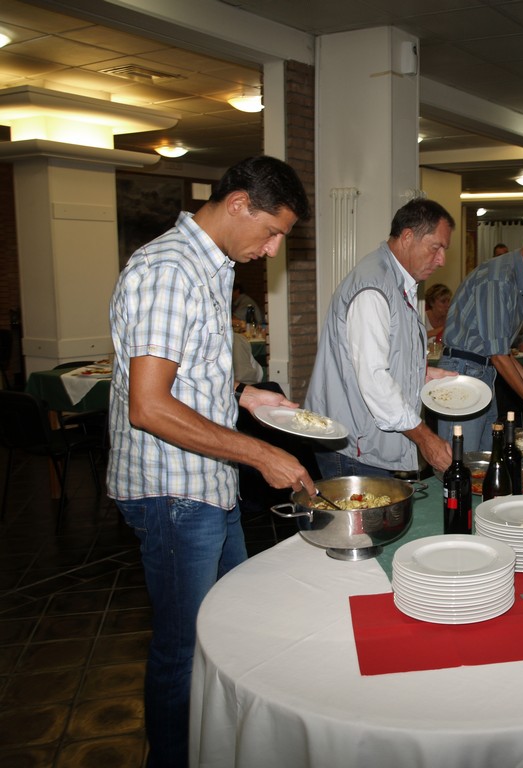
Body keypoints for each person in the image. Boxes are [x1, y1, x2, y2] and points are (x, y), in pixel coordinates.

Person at [107, 155, 315, 768]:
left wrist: (243, 395)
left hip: (205, 483)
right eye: (272, 232)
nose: (272, 250)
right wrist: (259, 451)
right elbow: (149, 406)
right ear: (238, 204)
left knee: (232, 629)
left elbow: (184, 377)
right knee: (185, 648)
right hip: (173, 491)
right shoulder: (170, 269)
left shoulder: (211, 265)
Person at [306, 199, 455, 477]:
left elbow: (386, 354)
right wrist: (424, 438)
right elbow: (374, 380)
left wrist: (421, 373)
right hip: (352, 445)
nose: (441, 260)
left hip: (363, 440)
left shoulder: (397, 281)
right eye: (436, 248)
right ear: (408, 237)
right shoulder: (373, 288)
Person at [437, 217, 523, 451]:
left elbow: (496, 346)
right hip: (463, 372)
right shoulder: (499, 279)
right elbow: (498, 355)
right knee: (458, 460)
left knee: (482, 459)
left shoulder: (515, 280)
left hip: (481, 371)